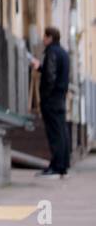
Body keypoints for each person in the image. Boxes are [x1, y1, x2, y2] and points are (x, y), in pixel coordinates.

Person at [37, 26, 71, 178]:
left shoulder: (51, 52)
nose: (43, 39)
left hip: (52, 99)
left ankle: (56, 166)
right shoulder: (63, 53)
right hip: (61, 98)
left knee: (54, 133)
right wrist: (41, 69)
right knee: (61, 131)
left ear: (50, 37)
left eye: (45, 36)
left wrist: (45, 97)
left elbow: (51, 76)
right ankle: (62, 164)